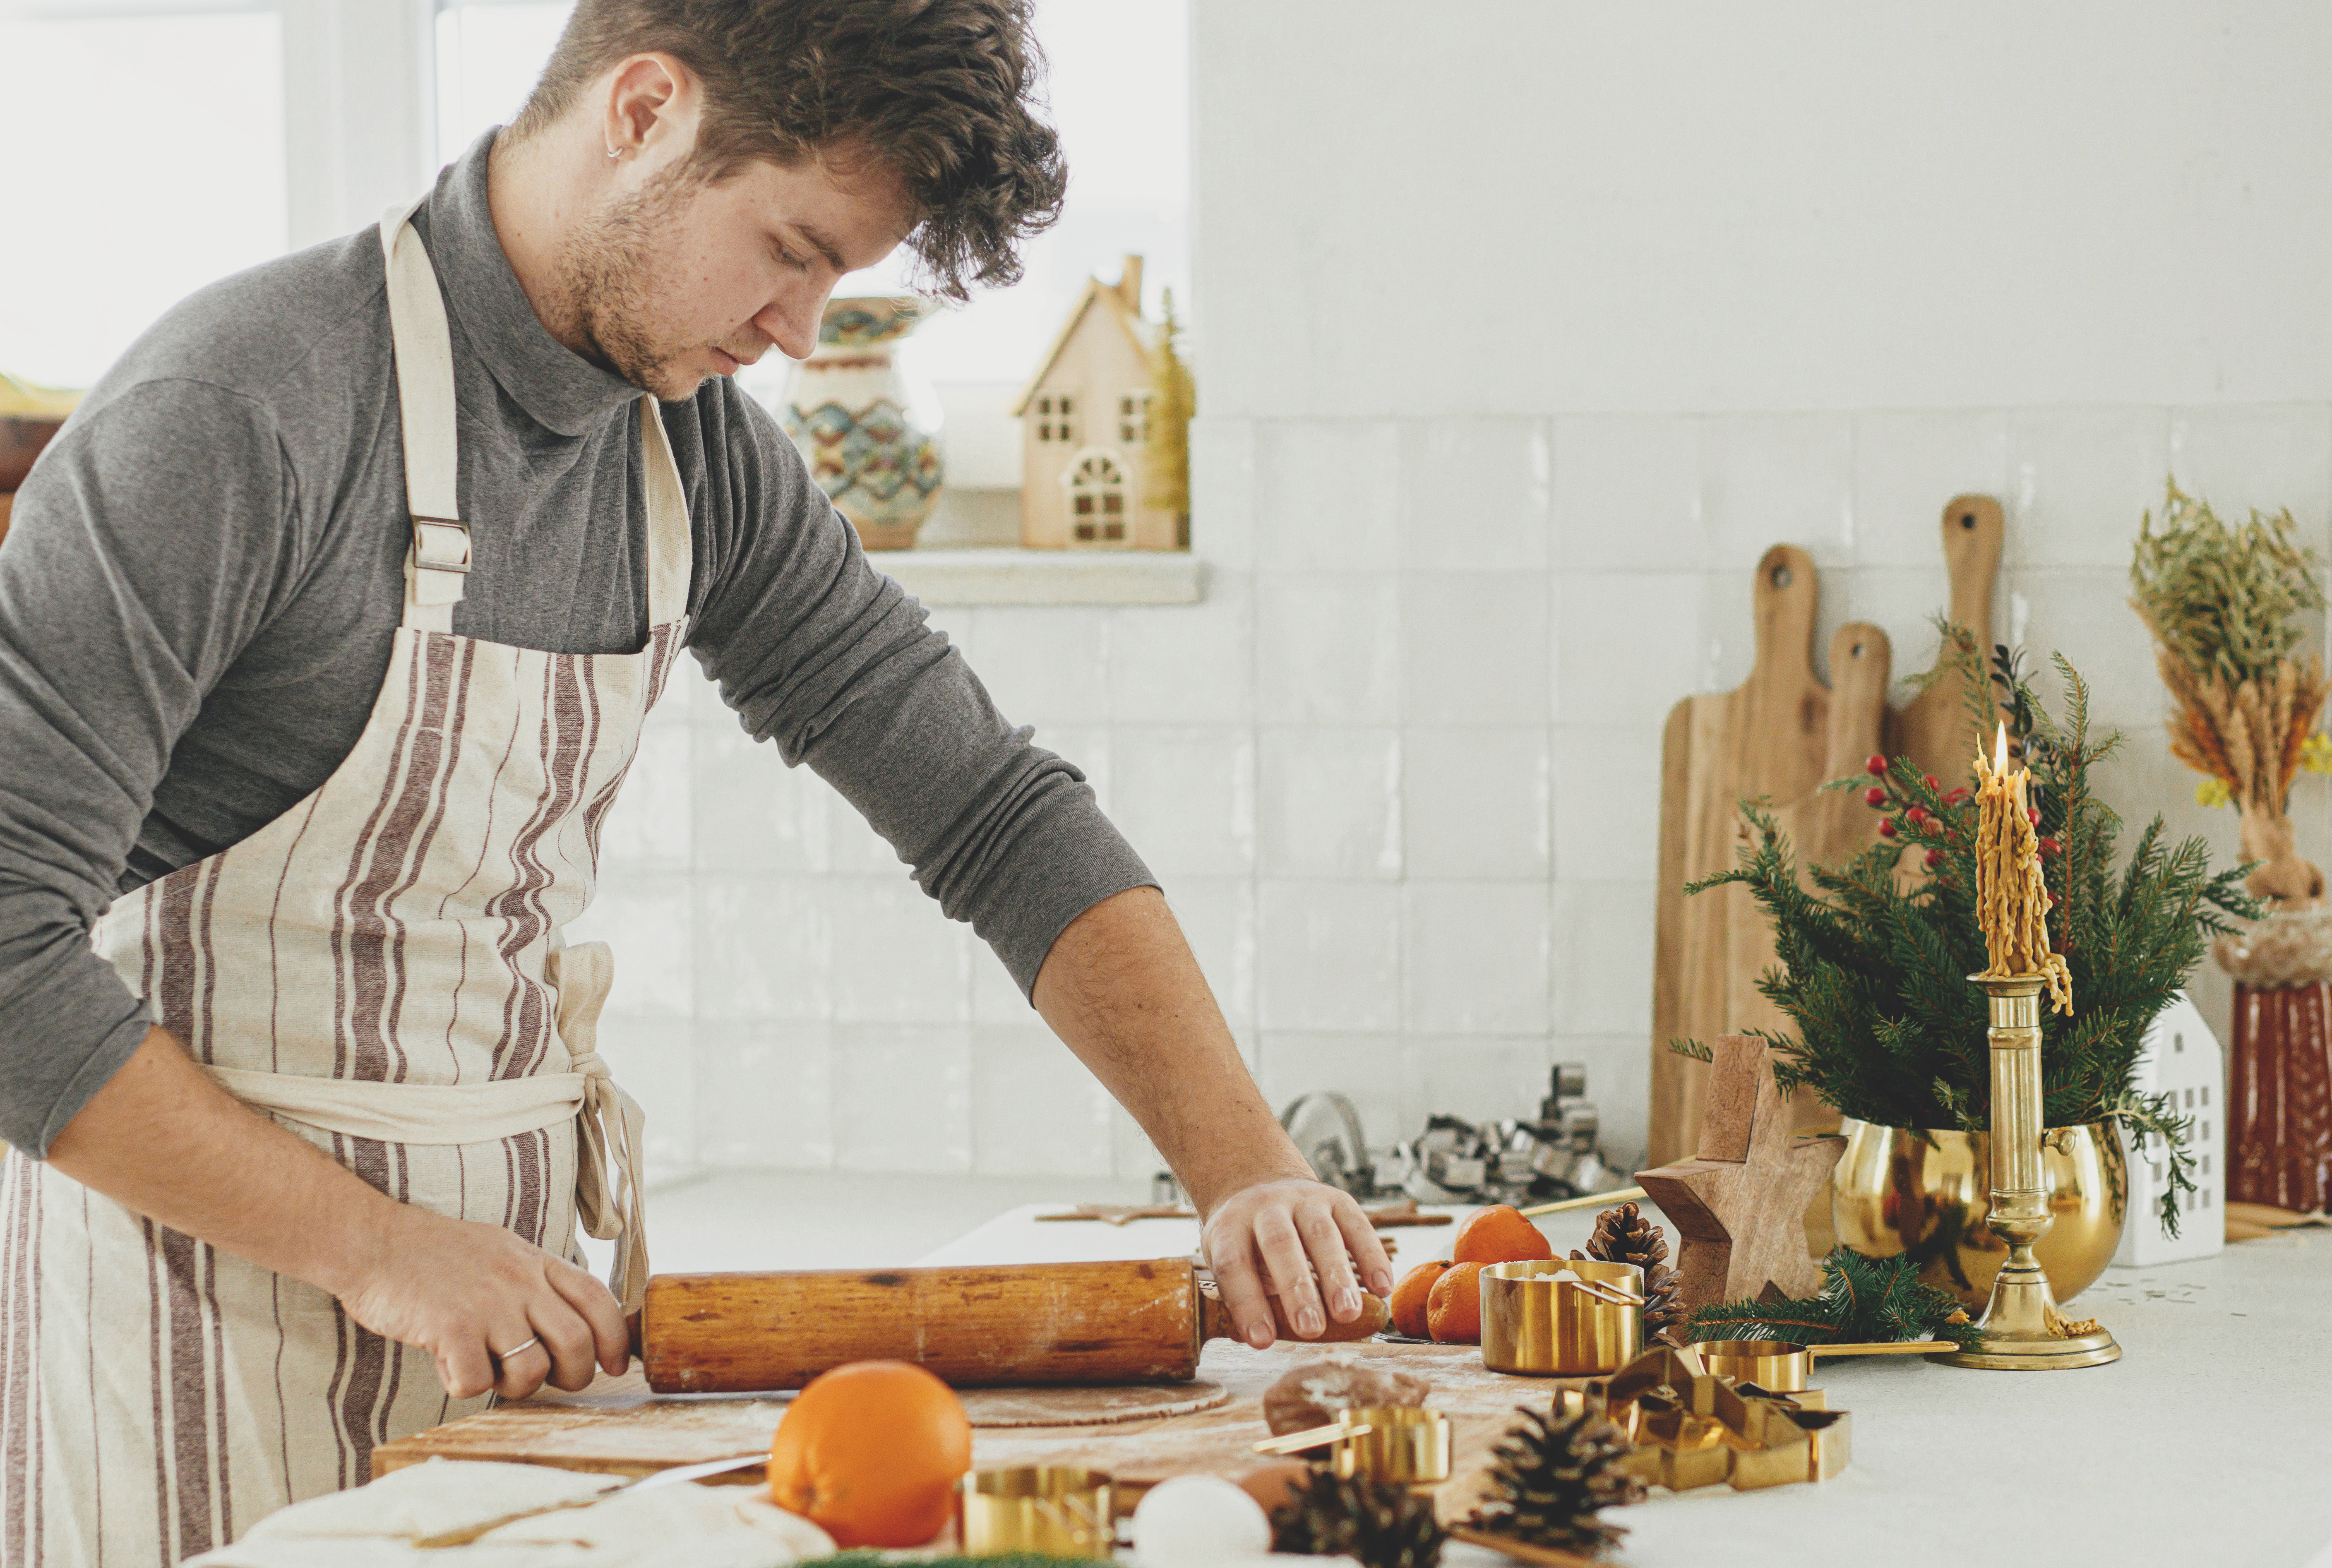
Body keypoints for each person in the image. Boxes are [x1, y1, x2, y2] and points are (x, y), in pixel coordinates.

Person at [0, 3, 1389, 1561]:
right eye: (789, 249)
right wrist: (380, 1251)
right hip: (188, 1315)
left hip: (512, 1321)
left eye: (838, 278)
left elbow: (989, 814)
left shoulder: (690, 451)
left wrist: (1244, 1171)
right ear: (645, 110)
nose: (798, 329)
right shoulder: (244, 409)